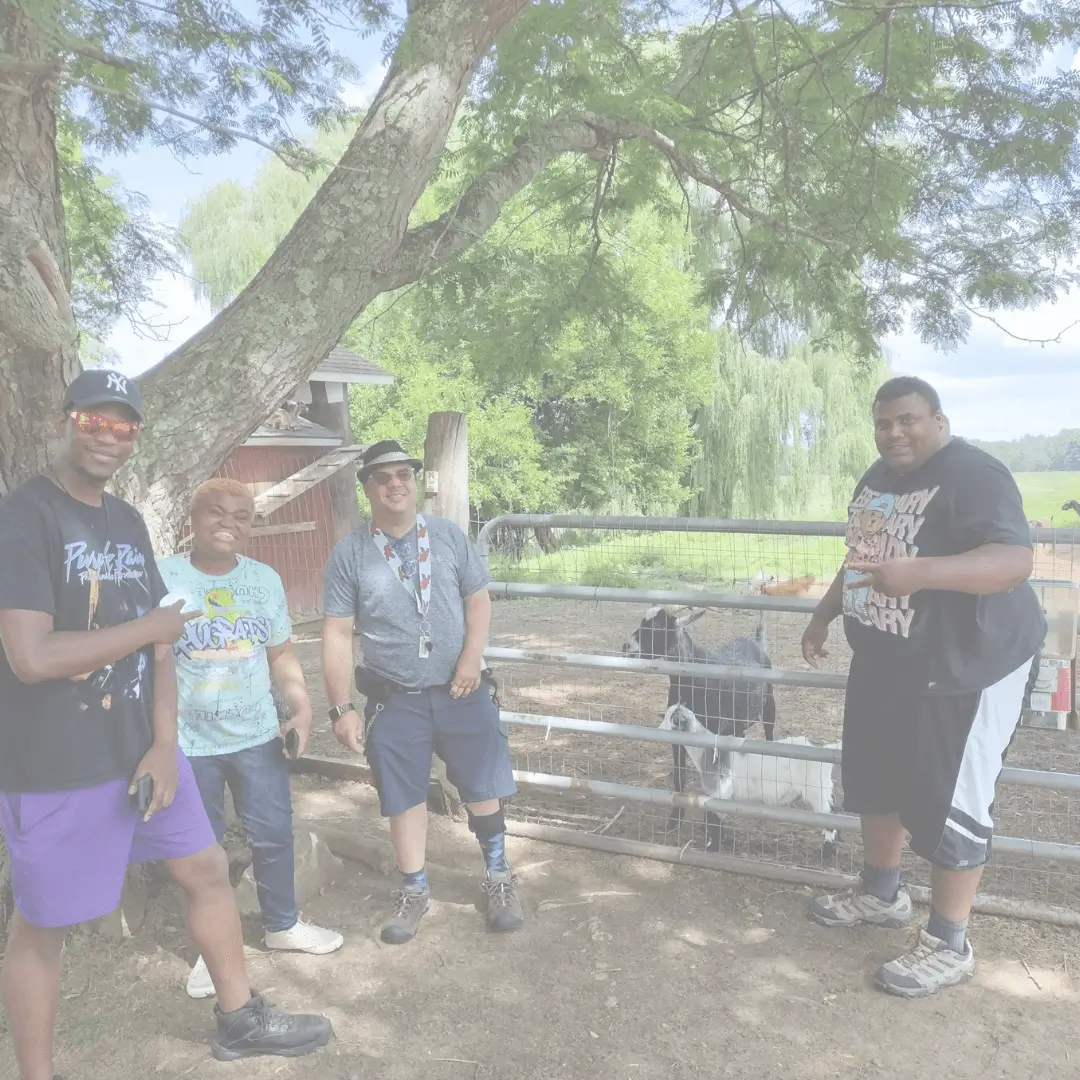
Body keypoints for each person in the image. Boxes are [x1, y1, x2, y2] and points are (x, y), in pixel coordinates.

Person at [0, 370, 333, 1079]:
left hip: (140, 750)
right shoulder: (22, 516)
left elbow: (161, 645)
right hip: (55, 759)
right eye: (95, 421)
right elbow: (30, 657)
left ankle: (238, 1020)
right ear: (66, 420)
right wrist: (151, 626)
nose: (109, 437)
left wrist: (160, 741)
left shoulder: (124, 522)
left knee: (206, 869)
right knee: (43, 923)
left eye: (125, 428)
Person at [801, 376, 1045, 998]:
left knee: (950, 797)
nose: (893, 433)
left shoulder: (975, 473)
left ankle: (948, 941)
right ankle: (881, 895)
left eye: (907, 420)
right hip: (887, 662)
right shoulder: (876, 479)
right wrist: (825, 613)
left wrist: (921, 574)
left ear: (937, 418)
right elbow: (860, 559)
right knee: (875, 777)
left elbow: (1014, 561)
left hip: (968, 665)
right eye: (883, 423)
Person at [321, 440, 523, 945]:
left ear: (414, 482)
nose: (395, 483)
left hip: (462, 687)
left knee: (482, 782)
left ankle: (499, 876)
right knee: (402, 794)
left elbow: (478, 599)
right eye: (383, 477)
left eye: (403, 474)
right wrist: (342, 706)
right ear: (368, 487)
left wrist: (472, 658)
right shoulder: (350, 553)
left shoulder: (449, 536)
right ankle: (414, 888)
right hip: (395, 697)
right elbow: (338, 633)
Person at [159, 478, 344, 1001]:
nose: (229, 523)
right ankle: (208, 952)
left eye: (241, 516)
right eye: (216, 513)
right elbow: (146, 660)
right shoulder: (163, 577)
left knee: (272, 833)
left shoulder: (263, 581)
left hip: (257, 737)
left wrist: (301, 706)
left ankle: (282, 924)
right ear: (192, 520)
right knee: (200, 849)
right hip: (187, 743)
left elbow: (281, 653)